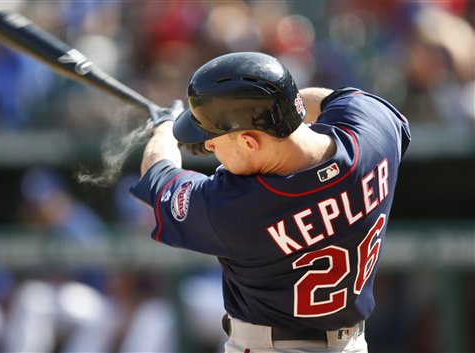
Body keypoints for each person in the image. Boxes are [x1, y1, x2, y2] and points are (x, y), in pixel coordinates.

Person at [130, 52, 411, 353]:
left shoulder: (233, 209)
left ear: (251, 142)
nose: (209, 146)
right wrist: (274, 111)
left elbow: (158, 175)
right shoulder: (373, 132)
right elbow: (334, 99)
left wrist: (163, 128)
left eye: (213, 139)